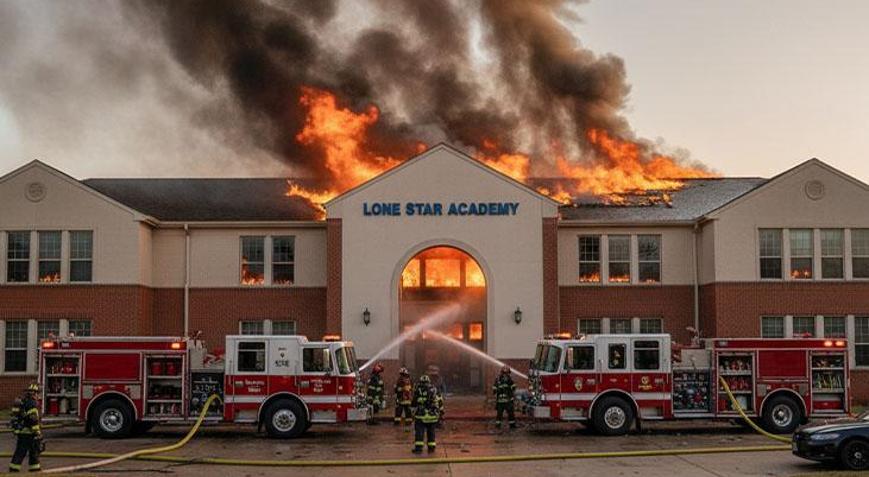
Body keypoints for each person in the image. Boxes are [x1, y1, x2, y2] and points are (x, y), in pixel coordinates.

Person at [9, 383, 43, 473]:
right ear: (35, 393)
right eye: (38, 393)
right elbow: (33, 420)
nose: (38, 396)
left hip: (22, 432)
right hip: (29, 433)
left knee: (25, 452)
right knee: (30, 452)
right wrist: (38, 433)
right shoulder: (32, 404)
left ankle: (33, 469)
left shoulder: (24, 401)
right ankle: (16, 470)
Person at [411, 374, 440, 453]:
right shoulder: (434, 389)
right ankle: (431, 448)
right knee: (431, 432)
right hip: (432, 416)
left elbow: (414, 401)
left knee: (419, 432)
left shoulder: (418, 389)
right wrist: (439, 413)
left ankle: (419, 448)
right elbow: (439, 401)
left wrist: (412, 411)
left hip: (421, 416)